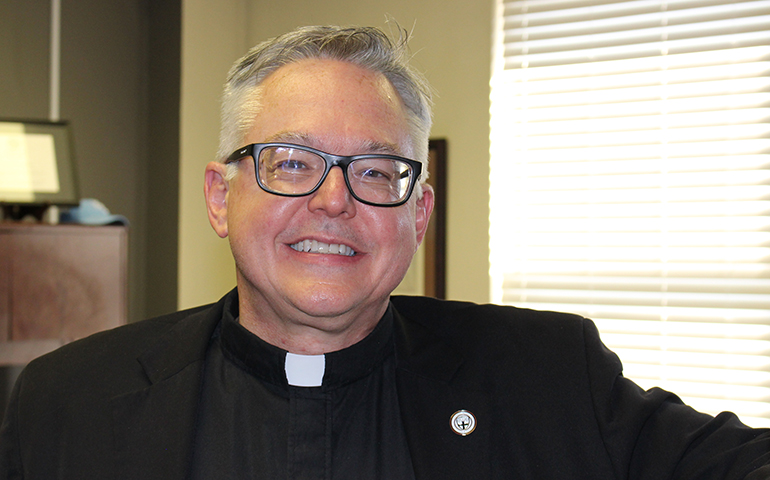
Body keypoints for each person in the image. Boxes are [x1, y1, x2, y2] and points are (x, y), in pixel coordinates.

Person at [1, 24, 768, 480]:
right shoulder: (68, 404)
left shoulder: (547, 376)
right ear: (218, 196)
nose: (335, 201)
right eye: (293, 162)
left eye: (376, 171)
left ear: (419, 211)